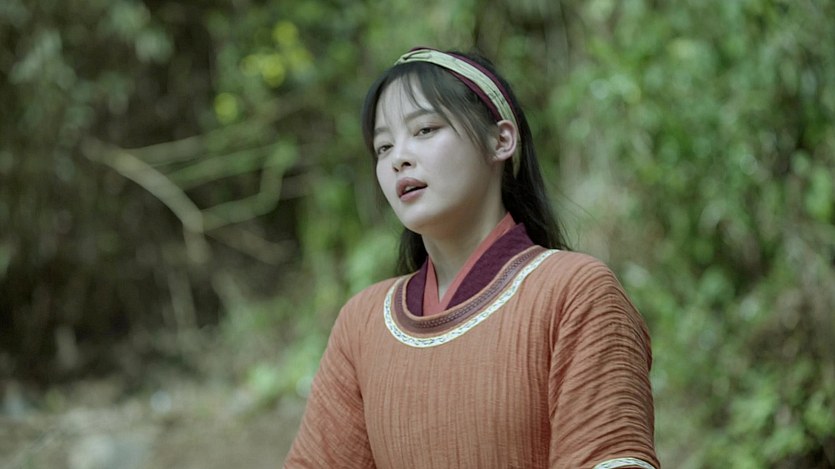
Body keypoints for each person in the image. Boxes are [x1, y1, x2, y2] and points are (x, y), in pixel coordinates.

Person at [284, 47, 659, 469]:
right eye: (383, 146)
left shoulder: (575, 292)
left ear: (501, 140)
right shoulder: (363, 322)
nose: (398, 158)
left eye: (425, 129)